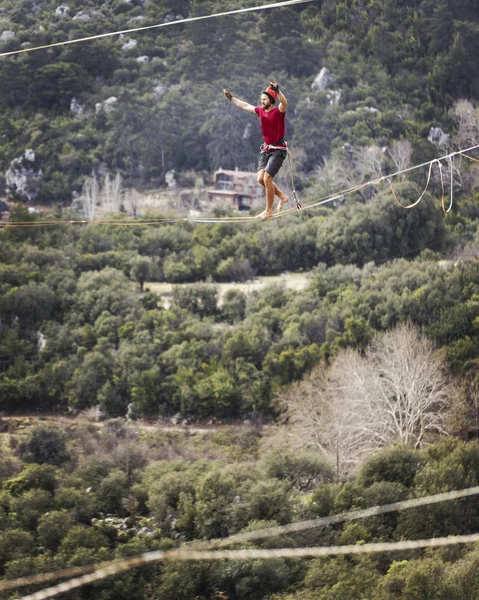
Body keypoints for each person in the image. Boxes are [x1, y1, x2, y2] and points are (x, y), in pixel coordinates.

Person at [223, 81, 289, 220]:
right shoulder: (260, 111)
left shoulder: (278, 112)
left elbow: (284, 102)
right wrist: (231, 98)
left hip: (278, 150)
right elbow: (245, 105)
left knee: (267, 178)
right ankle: (282, 196)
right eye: (261, 99)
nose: (262, 101)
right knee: (260, 179)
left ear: (271, 100)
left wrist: (277, 91)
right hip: (266, 149)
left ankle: (268, 210)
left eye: (264, 99)